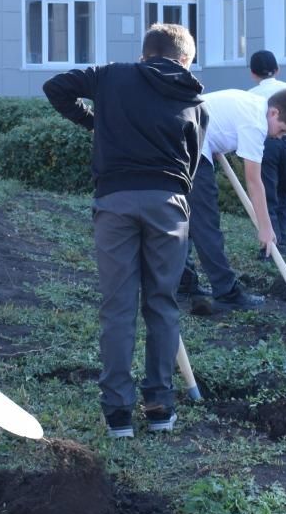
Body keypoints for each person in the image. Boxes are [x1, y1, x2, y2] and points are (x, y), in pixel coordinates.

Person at [43, 23, 207, 438]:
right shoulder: (194, 99)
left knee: (117, 309)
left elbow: (56, 87)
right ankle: (160, 408)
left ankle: (117, 414)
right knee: (163, 305)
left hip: (115, 202)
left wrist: (95, 123)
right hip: (168, 205)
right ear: (185, 60)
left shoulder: (111, 75)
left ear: (144, 54)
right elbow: (192, 165)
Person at [187, 86, 286, 312]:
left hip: (185, 137)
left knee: (185, 216)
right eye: (282, 130)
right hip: (186, 145)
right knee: (206, 222)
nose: (278, 136)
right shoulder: (256, 123)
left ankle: (183, 283)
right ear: (274, 113)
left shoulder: (253, 104)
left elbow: (215, 121)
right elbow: (254, 182)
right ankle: (227, 293)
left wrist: (215, 141)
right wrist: (265, 228)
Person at [248, 50, 286, 258]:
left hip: (264, 145)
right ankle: (283, 238)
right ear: (277, 69)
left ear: (252, 73)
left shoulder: (251, 94)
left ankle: (271, 243)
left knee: (267, 191)